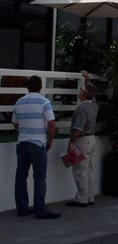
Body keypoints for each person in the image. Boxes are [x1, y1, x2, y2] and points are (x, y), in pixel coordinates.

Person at [12, 75, 60, 219]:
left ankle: (22, 208)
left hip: (22, 143)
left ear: (27, 87)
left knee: (21, 177)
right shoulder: (44, 102)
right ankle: (40, 210)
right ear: (40, 87)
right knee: (39, 178)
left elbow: (14, 122)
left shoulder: (19, 102)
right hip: (38, 144)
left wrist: (22, 132)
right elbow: (51, 123)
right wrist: (50, 140)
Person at [67, 70, 98, 207]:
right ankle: (90, 197)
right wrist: (87, 78)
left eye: (81, 90)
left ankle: (82, 199)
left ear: (84, 94)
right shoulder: (93, 105)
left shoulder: (81, 109)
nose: (79, 91)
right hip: (91, 139)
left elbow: (77, 129)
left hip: (82, 140)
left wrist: (71, 143)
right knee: (88, 170)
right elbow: (91, 89)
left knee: (80, 171)